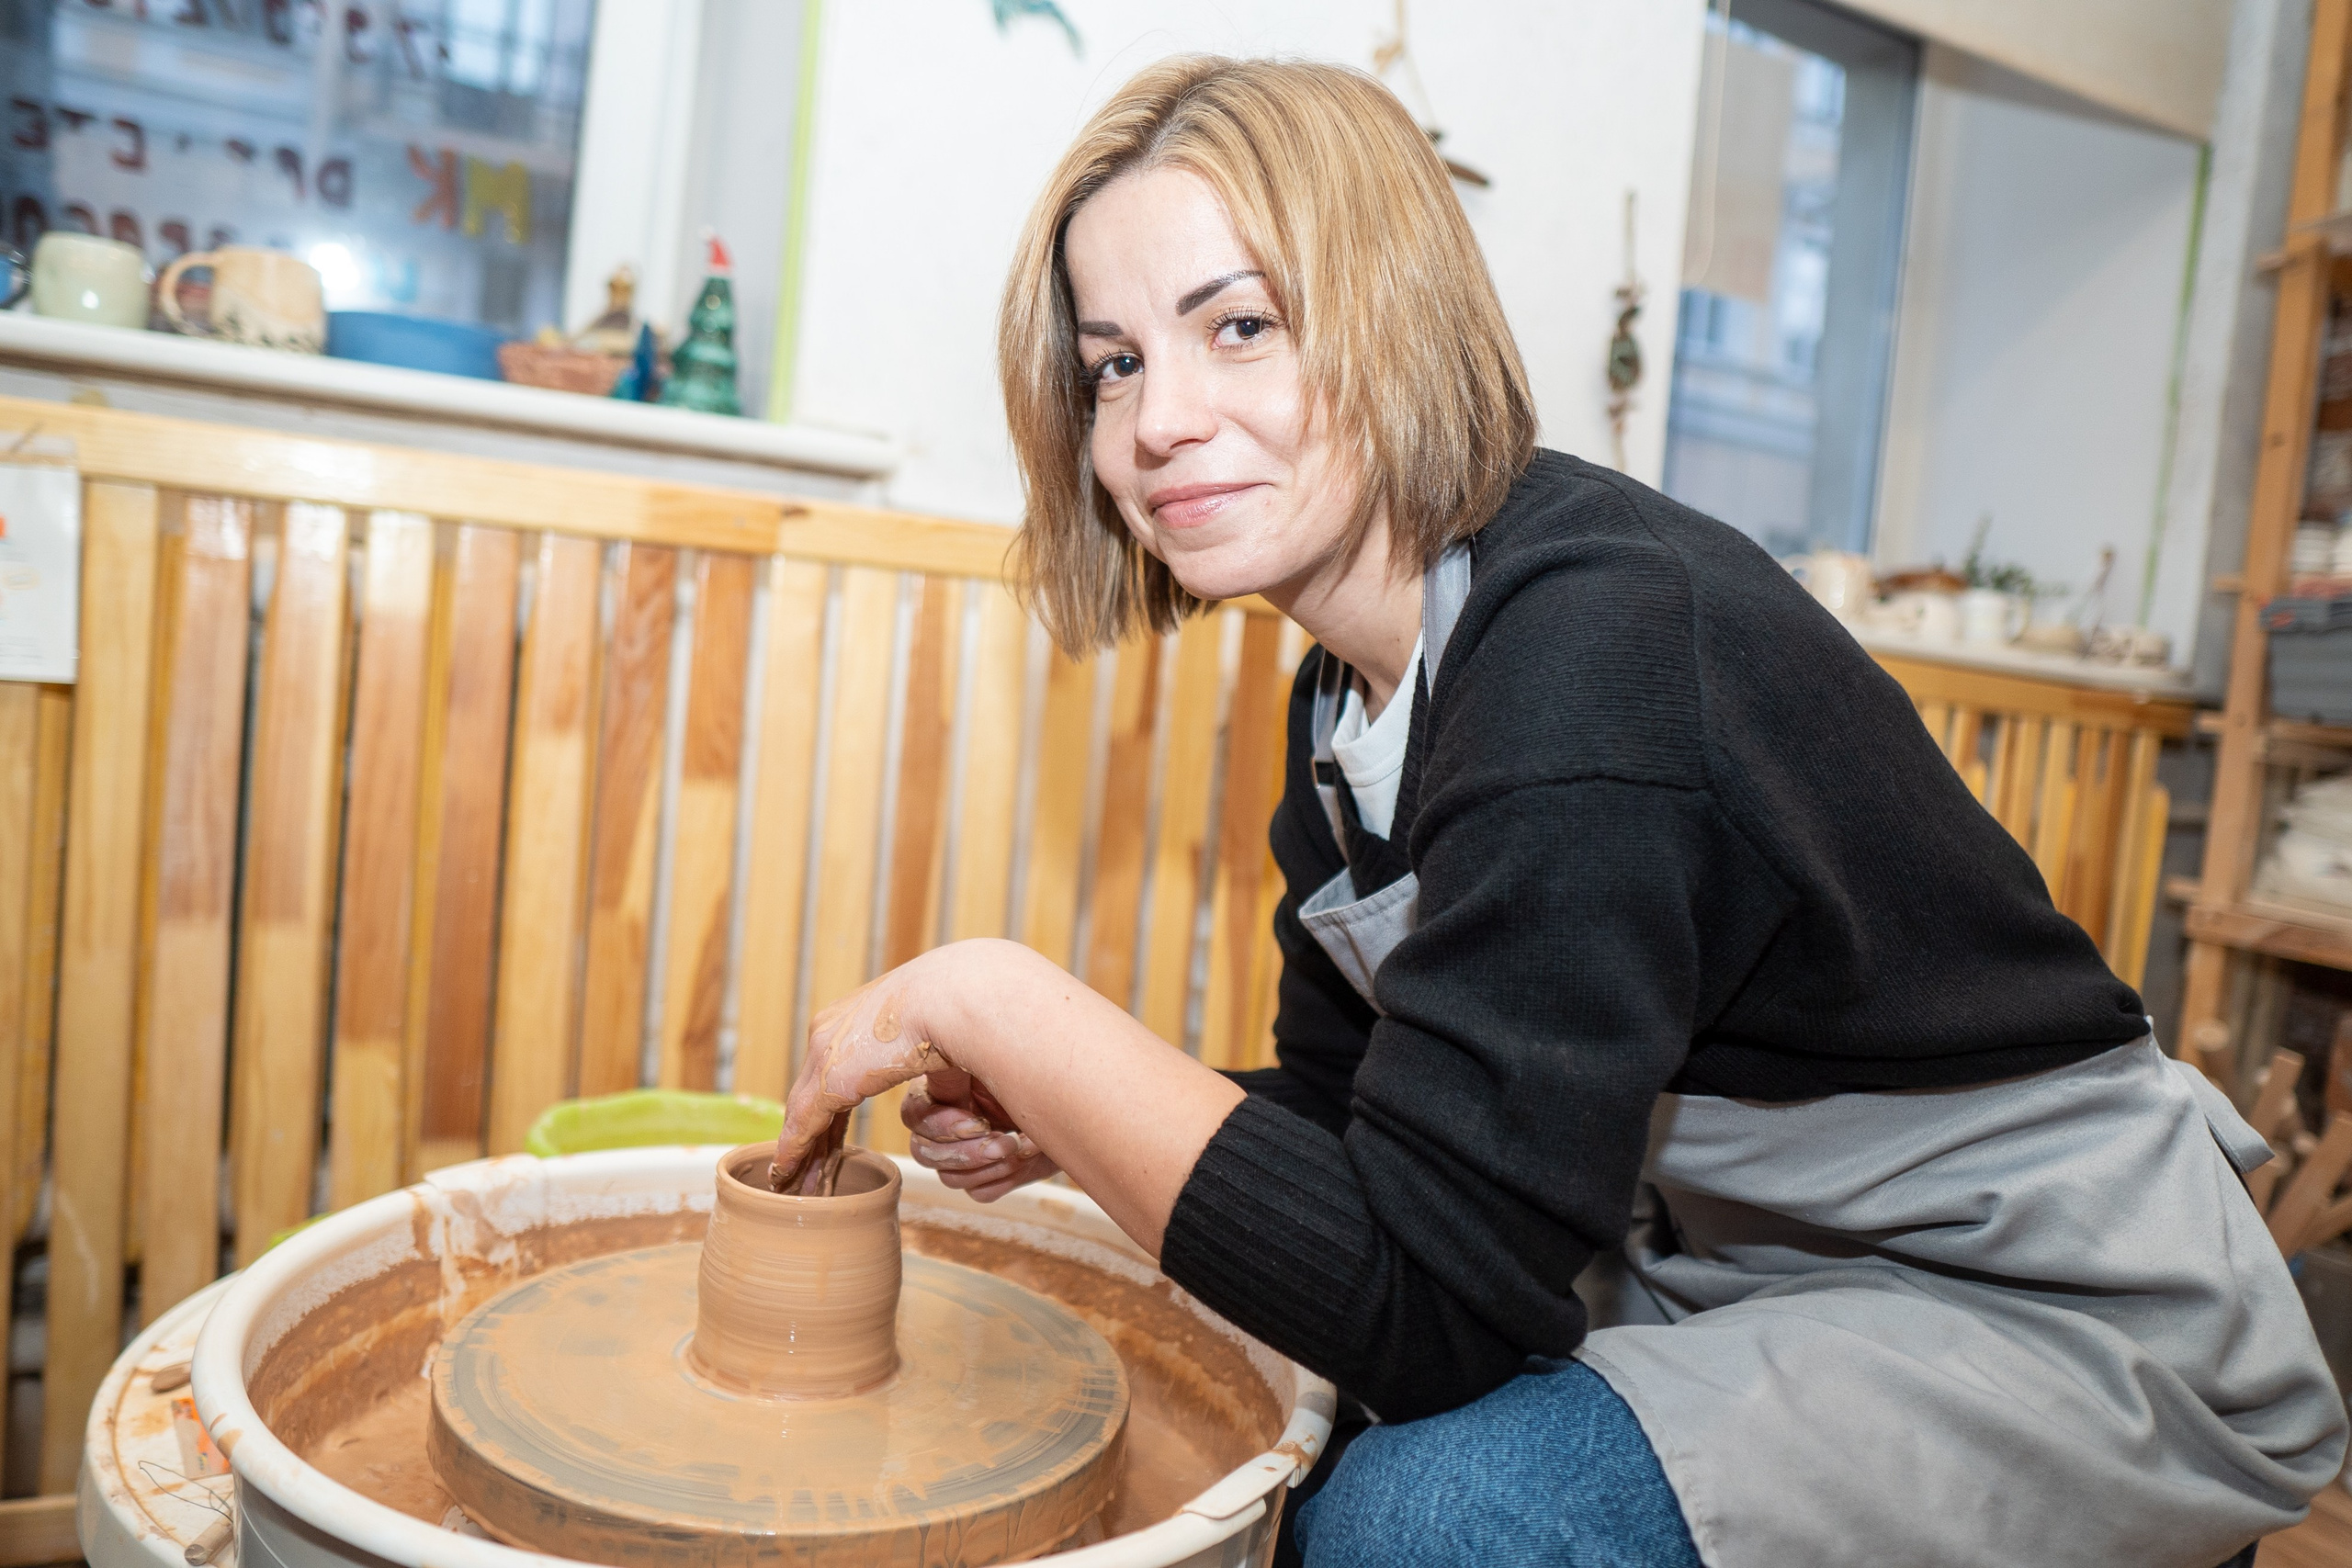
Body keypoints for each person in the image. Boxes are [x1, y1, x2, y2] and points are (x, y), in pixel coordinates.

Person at [772, 55, 2346, 1568]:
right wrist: (1070, 1127)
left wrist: (1001, 1000)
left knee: (1424, 1518)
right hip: (1730, 1269)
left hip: (2050, 1308)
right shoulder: (1345, 701)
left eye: (1237, 326)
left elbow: (1429, 1302)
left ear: (1395, 317)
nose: (1156, 419)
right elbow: (1366, 1121)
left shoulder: (1593, 646)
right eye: (1114, 361)